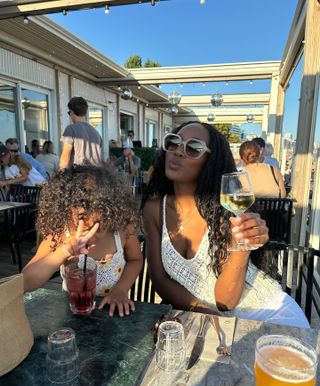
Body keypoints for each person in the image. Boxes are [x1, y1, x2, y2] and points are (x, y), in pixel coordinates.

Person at [142, 121, 309, 328]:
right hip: (209, 321)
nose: (178, 152)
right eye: (173, 142)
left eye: (193, 148)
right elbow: (159, 280)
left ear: (211, 161)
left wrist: (243, 247)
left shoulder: (225, 213)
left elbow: (226, 301)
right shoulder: (154, 210)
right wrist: (201, 311)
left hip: (268, 314)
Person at [22, 165, 143, 317]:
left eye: (100, 225)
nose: (93, 234)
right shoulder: (61, 234)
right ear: (67, 211)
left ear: (111, 211)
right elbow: (24, 282)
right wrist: (63, 252)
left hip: (113, 311)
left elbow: (135, 259)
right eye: (83, 223)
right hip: (72, 313)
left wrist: (120, 289)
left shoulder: (122, 229)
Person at [60, 97, 102, 170]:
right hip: (97, 176)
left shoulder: (70, 129)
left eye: (69, 113)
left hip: (80, 176)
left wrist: (61, 175)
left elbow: (65, 157)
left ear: (72, 112)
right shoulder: (96, 132)